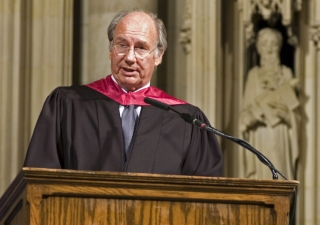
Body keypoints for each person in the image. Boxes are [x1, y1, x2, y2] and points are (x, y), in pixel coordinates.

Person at [23, 9, 223, 177]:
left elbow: (207, 198)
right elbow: (39, 180)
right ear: (110, 50)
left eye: (141, 48)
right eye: (122, 45)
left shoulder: (186, 121)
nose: (130, 57)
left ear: (158, 56)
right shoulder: (68, 105)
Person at [239, 28, 300, 179]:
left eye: (273, 44)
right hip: (259, 136)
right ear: (259, 48)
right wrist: (250, 117)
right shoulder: (253, 75)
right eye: (265, 44)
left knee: (280, 180)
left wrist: (287, 116)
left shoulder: (286, 73)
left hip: (280, 135)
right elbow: (244, 115)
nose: (269, 49)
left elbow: (297, 114)